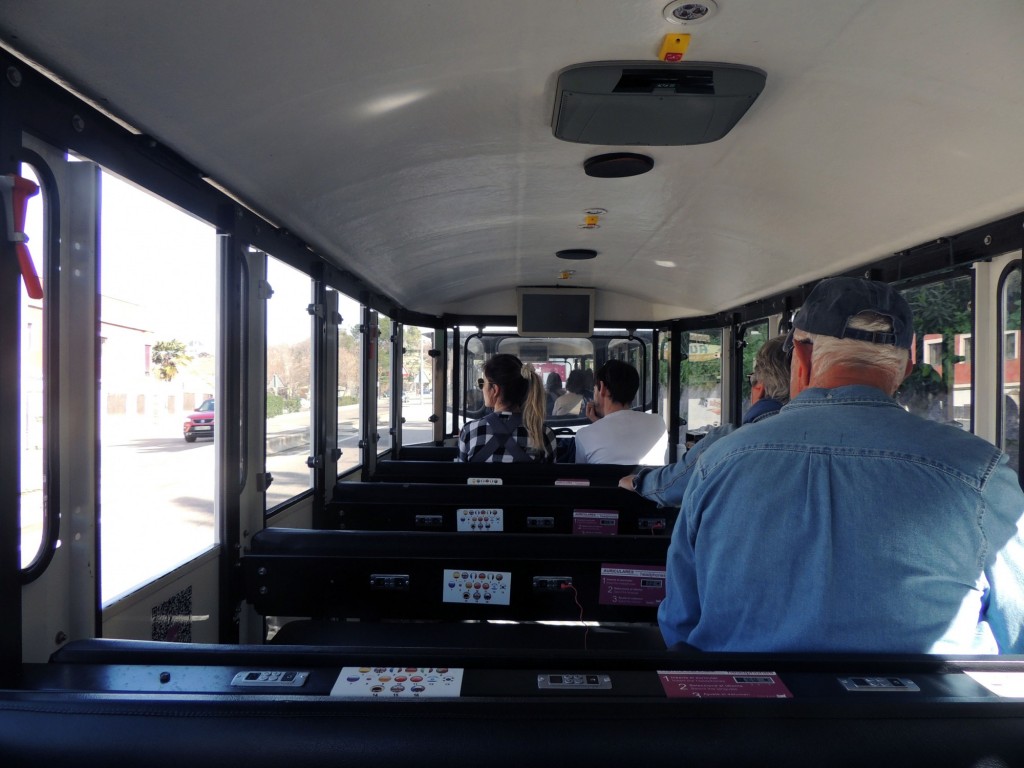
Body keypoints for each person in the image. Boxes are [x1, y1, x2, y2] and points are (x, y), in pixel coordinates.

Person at [658, 277, 1024, 654]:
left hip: (744, 711)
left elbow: (680, 624)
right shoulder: (982, 473)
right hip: (920, 712)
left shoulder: (718, 461)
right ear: (906, 369)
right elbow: (1015, 635)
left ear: (799, 358)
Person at [619, 334, 791, 506]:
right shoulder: (817, 436)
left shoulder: (724, 440)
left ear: (759, 388)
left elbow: (670, 486)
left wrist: (638, 482)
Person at [456, 353, 556, 462]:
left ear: (495, 390)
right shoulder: (543, 434)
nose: (482, 388)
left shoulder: (470, 431)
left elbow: (462, 475)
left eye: (482, 383)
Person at [573, 359, 667, 464]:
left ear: (602, 388)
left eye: (594, 389)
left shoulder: (584, 435)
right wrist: (599, 423)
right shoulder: (658, 423)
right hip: (648, 480)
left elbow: (581, 477)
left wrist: (598, 424)